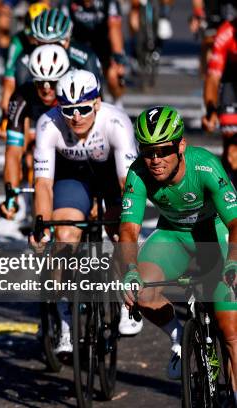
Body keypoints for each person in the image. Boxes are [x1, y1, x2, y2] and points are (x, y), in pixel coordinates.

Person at [121, 106, 237, 388]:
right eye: (148, 152)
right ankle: (179, 339)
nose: (155, 160)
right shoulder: (137, 174)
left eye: (163, 151)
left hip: (215, 235)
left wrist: (232, 262)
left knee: (230, 331)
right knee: (142, 293)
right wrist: (130, 271)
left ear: (181, 145)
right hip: (173, 236)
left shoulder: (205, 166)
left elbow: (235, 224)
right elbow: (128, 229)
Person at [32, 69, 141, 352]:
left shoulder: (116, 122)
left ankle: (127, 297)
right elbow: (43, 185)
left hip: (110, 176)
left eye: (83, 108)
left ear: (97, 103)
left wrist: (121, 223)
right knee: (65, 233)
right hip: (72, 179)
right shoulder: (48, 124)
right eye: (68, 110)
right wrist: (42, 226)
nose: (76, 117)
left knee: (120, 229)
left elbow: (126, 184)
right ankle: (65, 317)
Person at [0, 8, 102, 139]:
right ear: (35, 41)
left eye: (55, 43)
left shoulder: (85, 57)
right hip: (40, 107)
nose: (49, 48)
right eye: (42, 43)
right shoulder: (24, 61)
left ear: (67, 41)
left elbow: (97, 105)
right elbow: (19, 101)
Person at [0, 44, 70, 220]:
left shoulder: (71, 94)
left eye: (53, 83)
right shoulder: (22, 95)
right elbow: (12, 151)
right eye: (40, 82)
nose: (46, 88)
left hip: (69, 142)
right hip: (39, 136)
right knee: (30, 159)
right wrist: (11, 195)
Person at [59, 0, 127, 106]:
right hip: (79, 46)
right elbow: (63, 29)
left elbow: (115, 27)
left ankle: (118, 102)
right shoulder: (67, 3)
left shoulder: (109, 2)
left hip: (103, 45)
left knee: (114, 75)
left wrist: (118, 59)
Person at [202, 16, 237, 184]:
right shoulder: (226, 32)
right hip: (233, 82)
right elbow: (213, 78)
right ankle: (227, 194)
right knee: (232, 152)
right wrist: (211, 109)